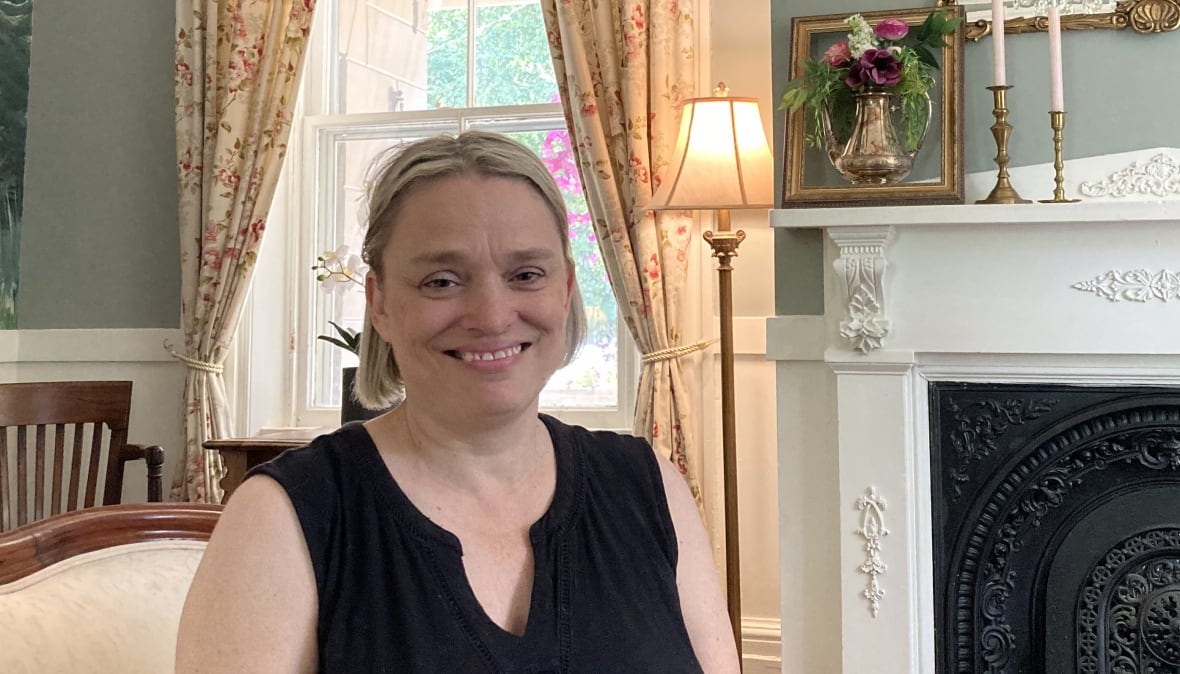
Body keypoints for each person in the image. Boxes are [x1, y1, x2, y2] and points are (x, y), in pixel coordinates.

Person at [176, 131, 738, 672]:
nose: (492, 316)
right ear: (380, 303)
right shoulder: (286, 516)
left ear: (565, 289)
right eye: (441, 281)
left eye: (525, 274)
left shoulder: (649, 486)